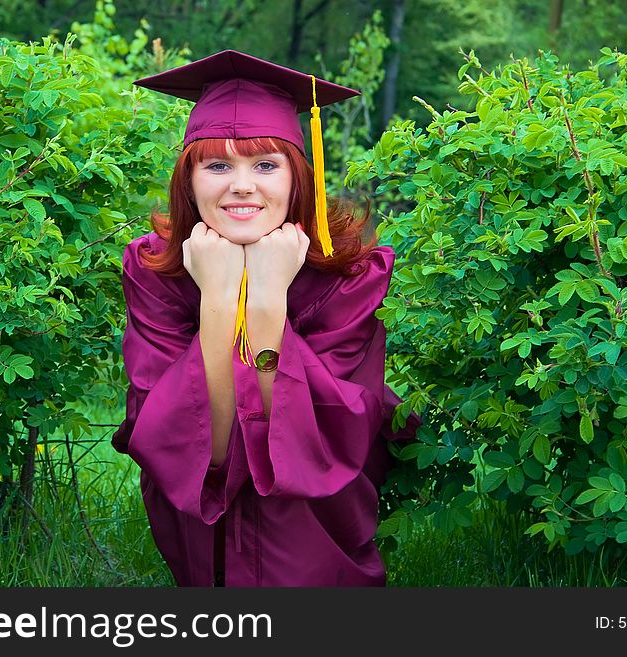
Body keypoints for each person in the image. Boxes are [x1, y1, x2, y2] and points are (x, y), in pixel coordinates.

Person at [112, 50, 421, 587]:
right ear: (187, 179)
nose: (242, 185)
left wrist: (267, 301)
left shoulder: (351, 276)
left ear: (299, 176)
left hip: (311, 536)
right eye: (216, 165)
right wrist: (216, 298)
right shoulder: (155, 271)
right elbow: (202, 449)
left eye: (265, 164)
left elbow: (318, 444)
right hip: (201, 543)